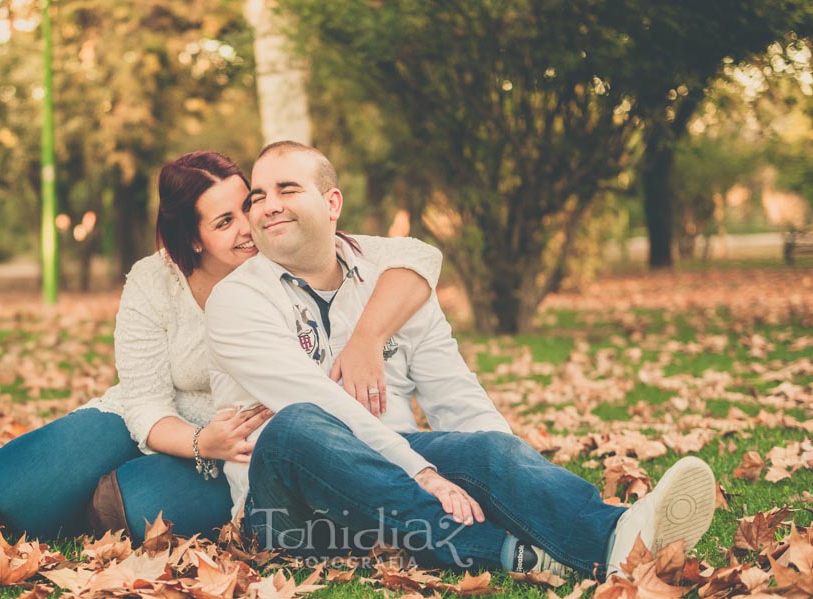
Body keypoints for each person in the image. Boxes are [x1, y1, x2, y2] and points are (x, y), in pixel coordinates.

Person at [203, 141, 717, 578]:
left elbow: (454, 392)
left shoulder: (392, 281)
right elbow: (318, 402)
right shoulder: (237, 301)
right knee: (296, 426)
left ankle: (617, 536)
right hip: (293, 514)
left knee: (488, 449)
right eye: (257, 196)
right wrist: (422, 472)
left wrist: (503, 469)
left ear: (332, 202)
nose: (267, 206)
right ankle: (505, 552)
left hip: (392, 488)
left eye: (287, 189)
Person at [0, 150, 444, 542]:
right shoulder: (153, 281)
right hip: (159, 422)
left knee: (125, 506)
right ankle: (6, 501)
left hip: (245, 439)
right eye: (225, 223)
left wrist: (367, 337)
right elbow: (145, 403)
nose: (250, 227)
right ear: (193, 239)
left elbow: (417, 254)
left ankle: (93, 509)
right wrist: (201, 442)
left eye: (248, 206)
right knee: (16, 494)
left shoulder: (288, 244)